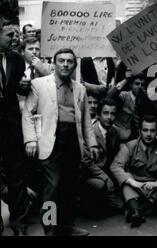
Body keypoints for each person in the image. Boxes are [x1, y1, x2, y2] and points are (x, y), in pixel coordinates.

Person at [22, 48, 98, 236]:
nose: (65, 64)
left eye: (69, 61)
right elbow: (27, 113)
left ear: (74, 65)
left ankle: (66, 226)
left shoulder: (80, 88)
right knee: (53, 186)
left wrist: (92, 143)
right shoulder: (39, 84)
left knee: (69, 186)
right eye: (61, 61)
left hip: (72, 140)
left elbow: (86, 120)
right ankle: (50, 228)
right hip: (50, 141)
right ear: (54, 63)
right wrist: (30, 139)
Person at [110, 116, 157, 228]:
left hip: (154, 190)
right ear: (140, 131)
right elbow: (115, 166)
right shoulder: (130, 146)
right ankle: (137, 211)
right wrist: (132, 182)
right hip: (136, 188)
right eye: (145, 130)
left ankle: (138, 211)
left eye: (152, 130)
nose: (148, 134)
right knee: (126, 177)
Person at [0, 21, 31, 236]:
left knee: (16, 174)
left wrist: (23, 86)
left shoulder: (16, 59)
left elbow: (19, 86)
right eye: (9, 34)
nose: (14, 38)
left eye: (16, 35)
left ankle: (18, 222)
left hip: (11, 126)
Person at [80, 98, 123, 215]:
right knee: (100, 186)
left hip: (107, 171)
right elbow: (86, 162)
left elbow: (116, 157)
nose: (109, 117)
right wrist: (106, 178)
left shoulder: (116, 132)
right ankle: (84, 203)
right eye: (106, 113)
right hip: (89, 174)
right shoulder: (89, 133)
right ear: (98, 115)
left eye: (113, 114)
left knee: (121, 205)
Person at [107, 71, 156, 141]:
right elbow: (109, 96)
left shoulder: (145, 100)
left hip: (136, 137)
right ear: (131, 85)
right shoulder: (124, 96)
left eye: (142, 85)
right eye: (137, 84)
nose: (140, 87)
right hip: (119, 134)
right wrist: (126, 79)